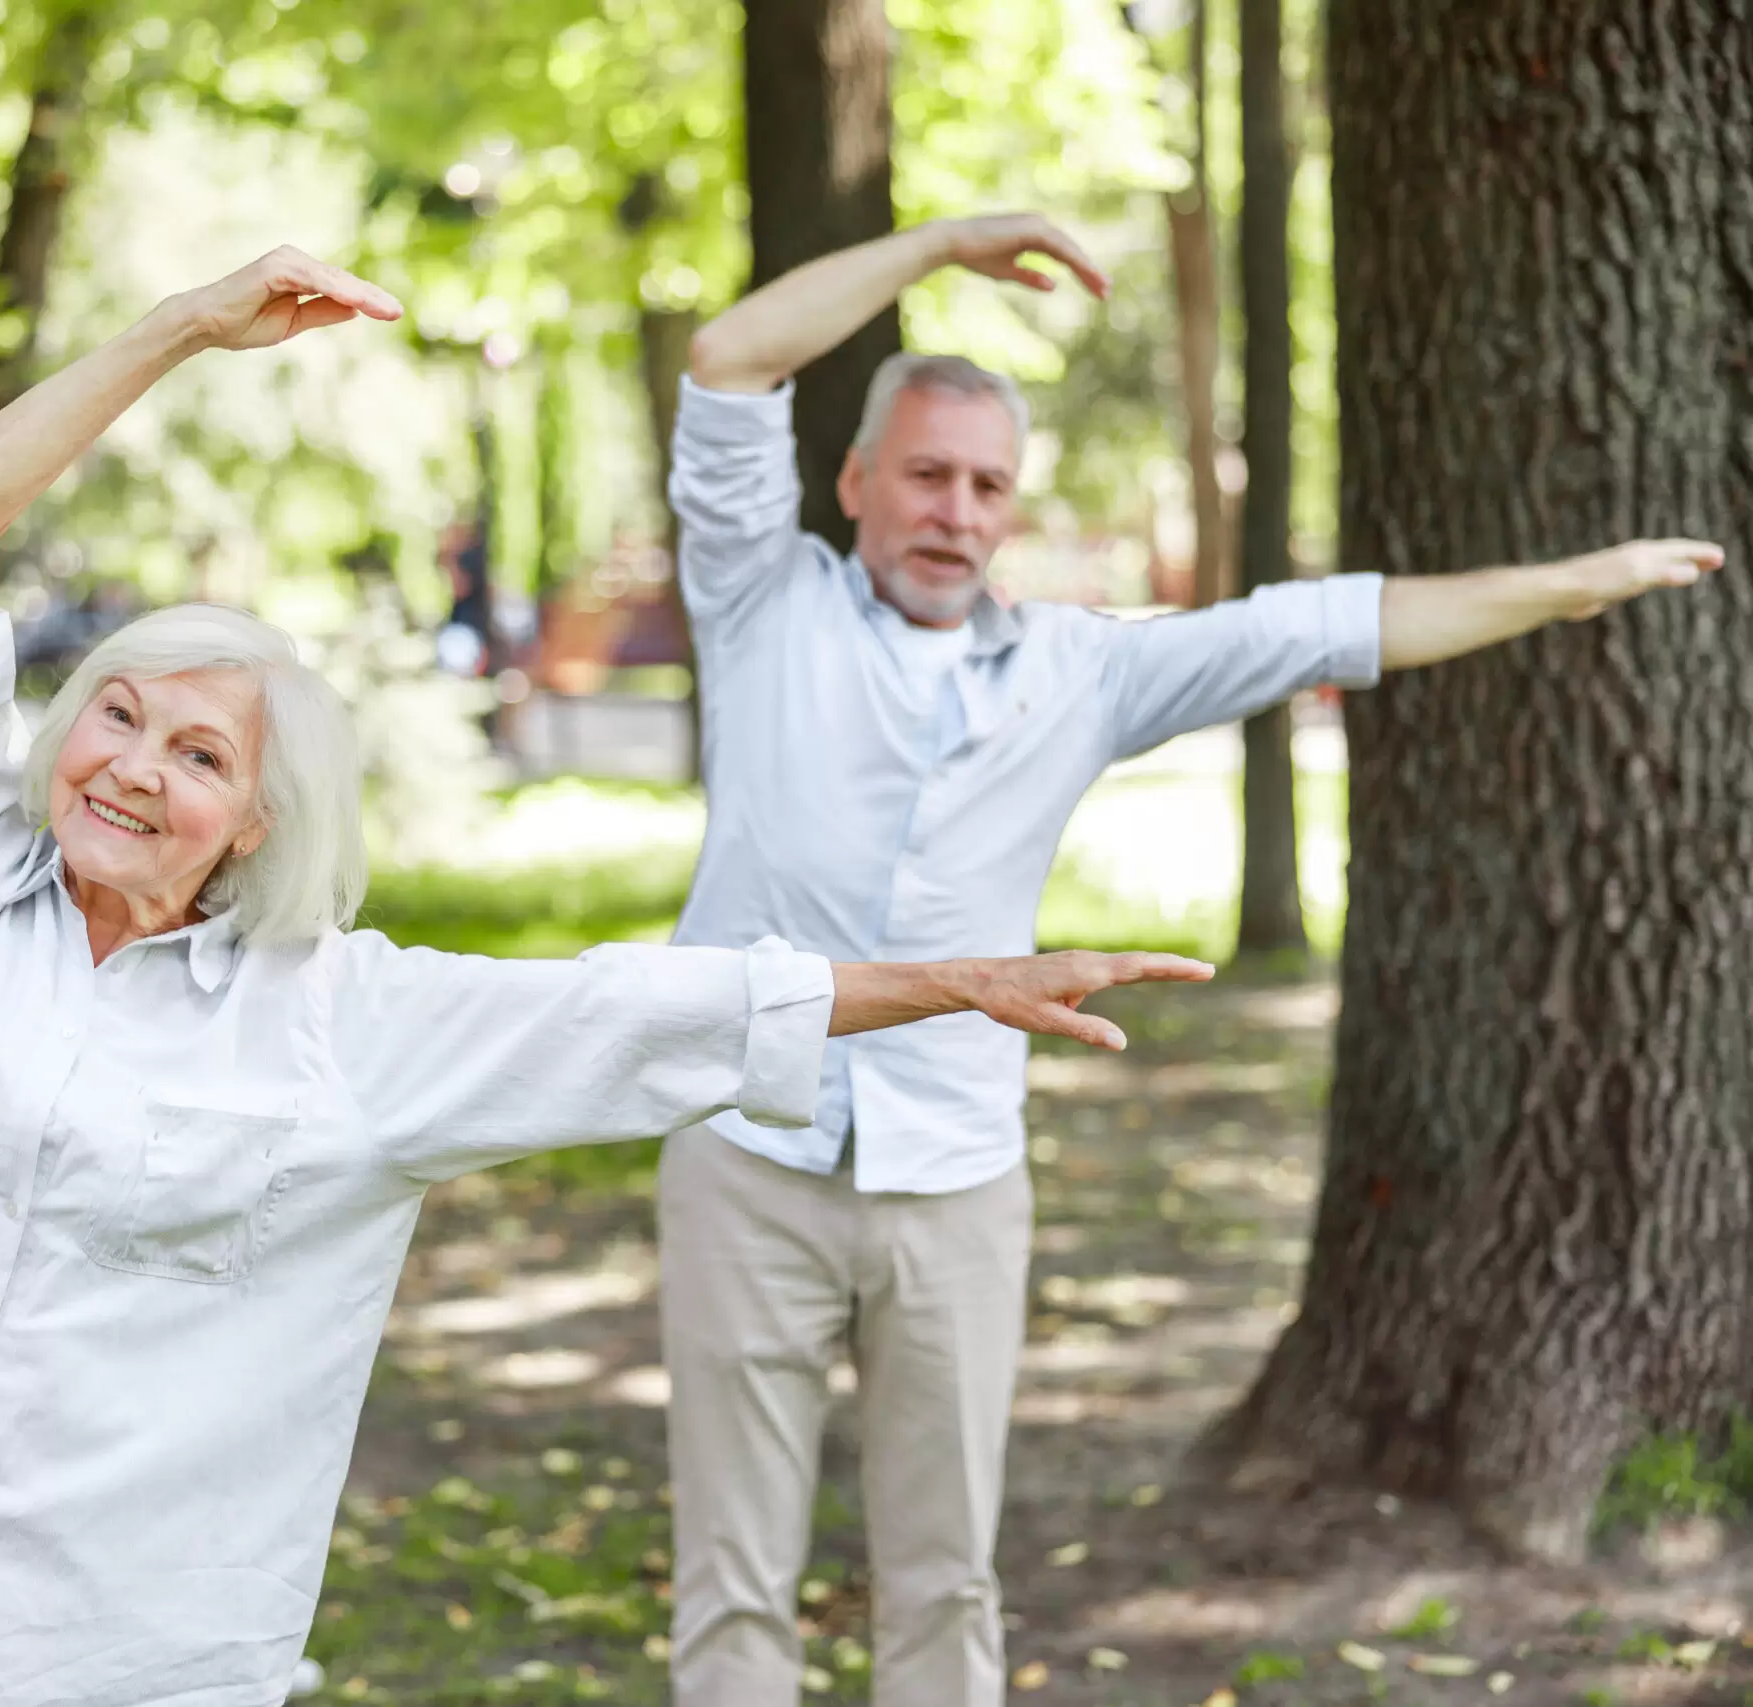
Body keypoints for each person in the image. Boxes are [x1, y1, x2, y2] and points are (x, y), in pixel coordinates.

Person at [0, 244, 1216, 1707]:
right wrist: (189, 326)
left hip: (95, 1659)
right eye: (117, 713)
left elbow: (630, 1012)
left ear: (258, 824)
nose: (134, 765)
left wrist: (948, 981)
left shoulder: (339, 1018)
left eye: (199, 753)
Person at [656, 209, 1726, 1707]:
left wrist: (1569, 583)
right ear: (852, 485)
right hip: (744, 1155)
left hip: (955, 1180)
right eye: (925, 474)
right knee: (732, 1584)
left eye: (986, 485)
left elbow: (1322, 626)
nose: (956, 510)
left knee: (947, 1574)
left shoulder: (1077, 672)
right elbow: (727, 357)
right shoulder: (758, 602)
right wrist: (940, 247)